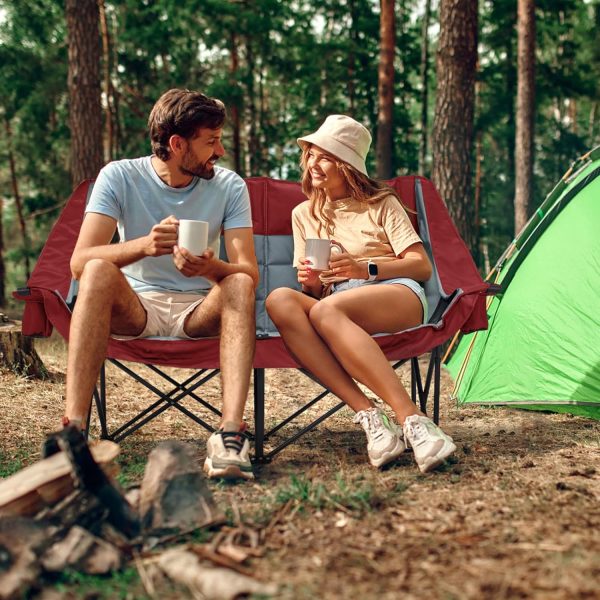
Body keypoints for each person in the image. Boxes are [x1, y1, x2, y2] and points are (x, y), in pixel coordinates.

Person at [64, 89, 259, 480]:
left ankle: (230, 436)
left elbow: (248, 272)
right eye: (211, 141)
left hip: (198, 311)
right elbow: (78, 263)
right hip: (136, 307)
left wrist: (207, 268)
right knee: (99, 269)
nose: (219, 151)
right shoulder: (119, 176)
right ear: (176, 144)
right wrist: (144, 246)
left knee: (237, 282)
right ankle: (74, 434)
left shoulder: (230, 186)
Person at [266, 115, 456, 473]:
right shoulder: (303, 214)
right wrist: (309, 280)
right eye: (310, 154)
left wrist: (364, 267)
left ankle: (413, 421)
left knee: (325, 311)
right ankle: (369, 415)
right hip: (338, 306)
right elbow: (315, 289)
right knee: (280, 299)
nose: (312, 163)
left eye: (324, 156)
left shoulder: (382, 203)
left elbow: (420, 266)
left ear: (347, 164)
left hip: (394, 292)